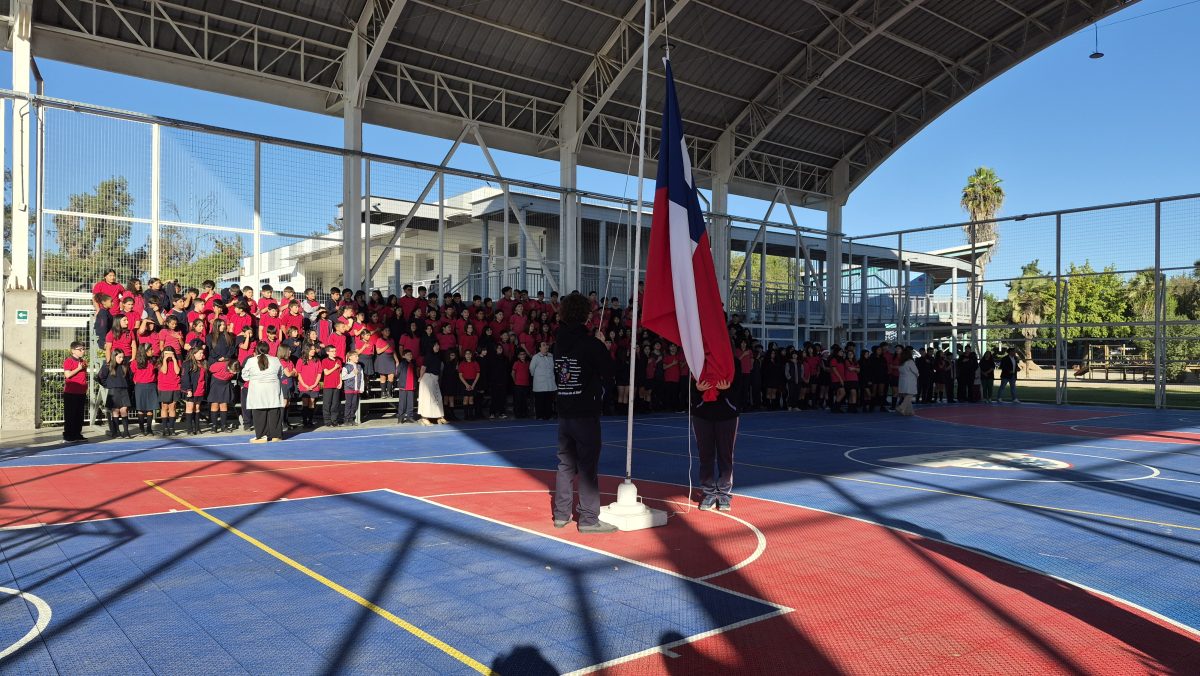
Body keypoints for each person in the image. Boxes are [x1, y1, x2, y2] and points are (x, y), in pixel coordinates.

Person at [551, 292, 616, 534]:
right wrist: (602, 345)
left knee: (565, 465)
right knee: (588, 467)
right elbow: (609, 373)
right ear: (586, 316)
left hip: (564, 411)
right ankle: (588, 519)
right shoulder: (590, 344)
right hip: (585, 413)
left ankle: (561, 514)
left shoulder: (559, 343)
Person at [242, 341, 285, 442]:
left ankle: (261, 436)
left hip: (258, 390)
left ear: (256, 349)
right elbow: (281, 374)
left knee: (259, 413)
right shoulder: (275, 360)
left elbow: (244, 376)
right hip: (273, 389)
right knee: (274, 412)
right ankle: (276, 436)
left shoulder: (251, 361)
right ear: (268, 350)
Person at [98, 349, 132, 438]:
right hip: (114, 390)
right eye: (119, 357)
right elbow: (101, 377)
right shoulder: (107, 366)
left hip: (124, 390)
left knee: (124, 410)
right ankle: (116, 431)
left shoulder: (125, 366)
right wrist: (108, 385)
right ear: (114, 356)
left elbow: (129, 378)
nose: (121, 359)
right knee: (115, 411)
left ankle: (126, 431)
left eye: (123, 357)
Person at [62, 342, 89, 442]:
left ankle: (77, 434)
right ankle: (68, 435)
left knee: (79, 415)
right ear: (73, 350)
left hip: (81, 392)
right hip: (71, 392)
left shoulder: (83, 361)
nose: (83, 351)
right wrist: (78, 368)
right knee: (70, 415)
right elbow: (67, 375)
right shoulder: (68, 361)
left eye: (83, 349)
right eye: (80, 349)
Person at [417, 344, 447, 426]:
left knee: (438, 397)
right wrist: (420, 377)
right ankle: (424, 418)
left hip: (435, 378)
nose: (437, 347)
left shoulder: (438, 356)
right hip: (427, 377)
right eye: (435, 345)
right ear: (431, 347)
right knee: (427, 399)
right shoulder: (428, 355)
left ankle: (439, 417)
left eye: (438, 345)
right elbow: (423, 367)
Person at [157, 346, 182, 436]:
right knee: (164, 407)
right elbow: (164, 371)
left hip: (175, 386)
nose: (168, 355)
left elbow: (177, 371)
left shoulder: (177, 361)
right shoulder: (160, 362)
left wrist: (174, 359)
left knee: (173, 407)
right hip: (164, 387)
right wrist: (165, 359)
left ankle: (171, 428)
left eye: (170, 353)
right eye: (166, 353)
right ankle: (164, 428)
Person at [529, 341, 557, 420]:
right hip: (540, 384)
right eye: (543, 345)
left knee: (549, 401)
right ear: (540, 348)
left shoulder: (551, 356)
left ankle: (548, 415)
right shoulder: (536, 357)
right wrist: (537, 377)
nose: (546, 346)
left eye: (547, 345)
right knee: (540, 401)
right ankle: (540, 416)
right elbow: (531, 368)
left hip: (550, 383)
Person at [320, 345, 344, 426]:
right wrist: (334, 367)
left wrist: (341, 382)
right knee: (327, 404)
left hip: (337, 385)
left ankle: (334, 420)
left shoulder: (338, 360)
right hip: (328, 386)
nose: (334, 353)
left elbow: (340, 372)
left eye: (335, 351)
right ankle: (327, 421)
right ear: (327, 352)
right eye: (332, 351)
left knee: (335, 404)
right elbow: (326, 373)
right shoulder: (325, 361)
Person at [341, 351, 365, 426]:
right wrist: (352, 374)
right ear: (350, 357)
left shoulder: (359, 367)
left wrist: (361, 387)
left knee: (354, 404)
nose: (357, 358)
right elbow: (343, 377)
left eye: (357, 356)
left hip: (356, 389)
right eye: (355, 356)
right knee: (348, 404)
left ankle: (352, 419)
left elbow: (361, 378)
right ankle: (346, 420)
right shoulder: (346, 366)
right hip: (349, 388)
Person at [395, 350, 417, 423]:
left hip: (411, 386)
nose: (410, 356)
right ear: (404, 356)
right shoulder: (402, 364)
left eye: (411, 354)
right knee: (402, 403)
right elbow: (397, 373)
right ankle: (400, 417)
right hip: (403, 386)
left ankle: (409, 417)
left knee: (410, 403)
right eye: (408, 354)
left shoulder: (413, 363)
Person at [896, 347, 920, 416]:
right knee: (909, 396)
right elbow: (916, 371)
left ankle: (909, 411)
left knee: (907, 396)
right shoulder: (910, 362)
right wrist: (917, 375)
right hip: (910, 381)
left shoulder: (902, 363)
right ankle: (901, 407)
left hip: (902, 381)